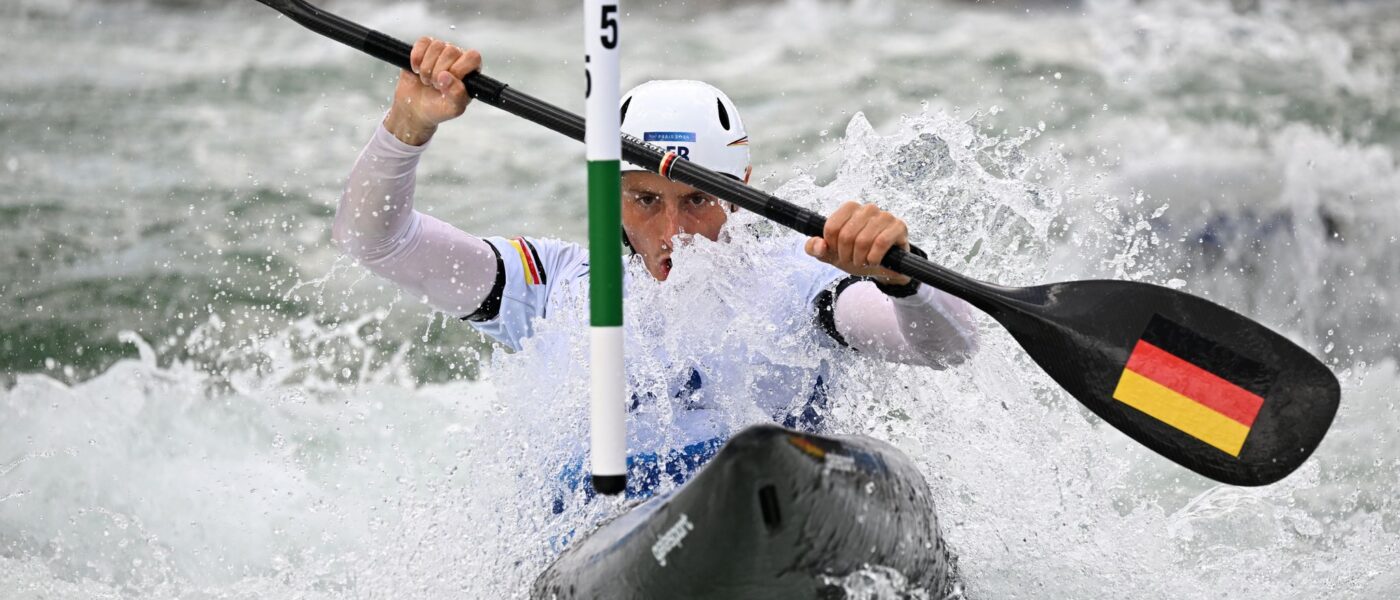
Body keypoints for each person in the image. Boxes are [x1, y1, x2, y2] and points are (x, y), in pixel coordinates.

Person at [333, 37, 980, 505]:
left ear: (741, 189)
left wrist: (903, 281)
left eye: (697, 200)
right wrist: (407, 124)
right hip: (601, 540)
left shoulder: (795, 279)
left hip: (770, 514)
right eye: (646, 200)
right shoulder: (551, 287)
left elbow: (949, 347)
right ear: (610, 195)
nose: (672, 232)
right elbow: (375, 241)